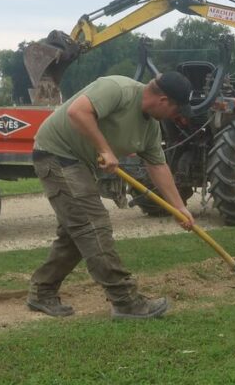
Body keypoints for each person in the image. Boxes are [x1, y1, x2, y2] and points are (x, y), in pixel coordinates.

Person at [27, 72, 196, 319]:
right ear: (163, 101)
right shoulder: (117, 88)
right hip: (56, 153)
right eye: (176, 110)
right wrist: (105, 149)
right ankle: (125, 300)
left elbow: (158, 166)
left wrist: (179, 208)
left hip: (80, 163)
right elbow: (77, 112)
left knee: (77, 232)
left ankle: (42, 292)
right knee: (93, 226)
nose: (177, 117)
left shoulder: (150, 128)